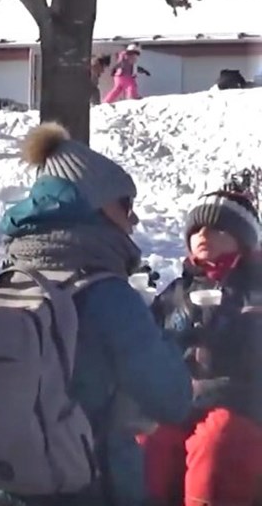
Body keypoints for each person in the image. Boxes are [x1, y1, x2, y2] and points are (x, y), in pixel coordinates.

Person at [0, 123, 192, 506]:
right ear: (94, 206)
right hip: (91, 483)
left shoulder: (10, 280)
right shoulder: (109, 296)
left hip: (4, 486)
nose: (134, 220)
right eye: (126, 204)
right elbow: (172, 398)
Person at [140, 189, 262, 506]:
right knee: (148, 438)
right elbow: (152, 339)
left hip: (241, 399)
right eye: (197, 230)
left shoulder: (255, 287)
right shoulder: (178, 291)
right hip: (182, 397)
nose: (204, 235)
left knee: (218, 441)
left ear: (243, 240)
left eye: (218, 229)